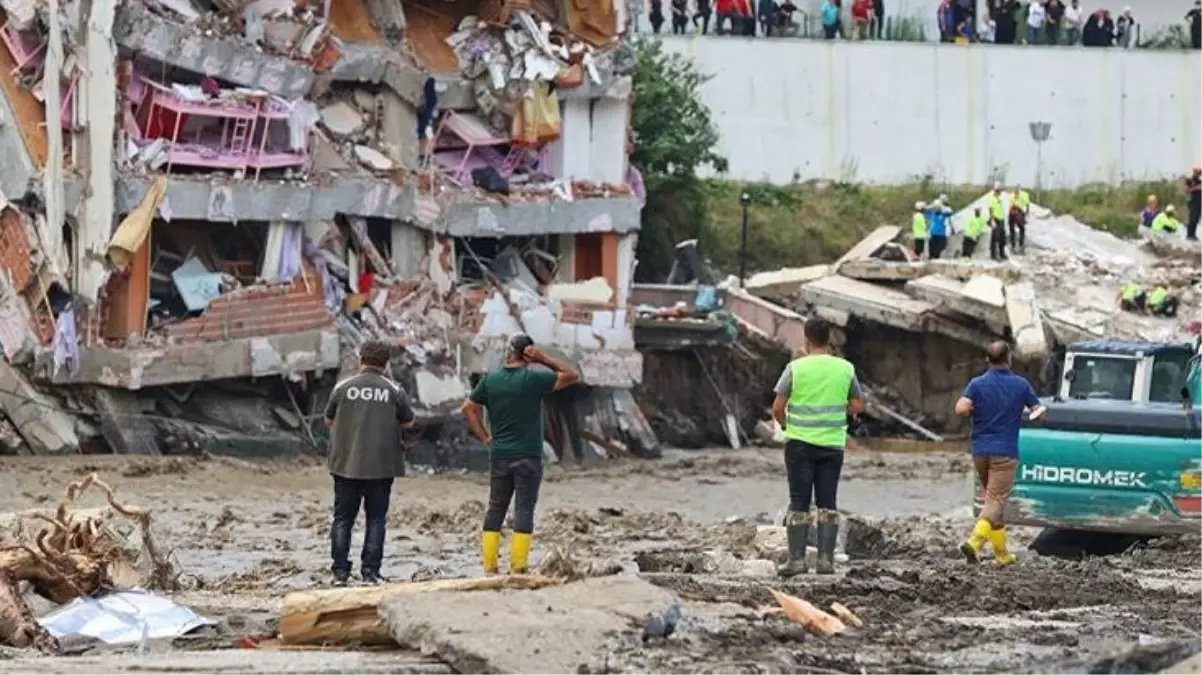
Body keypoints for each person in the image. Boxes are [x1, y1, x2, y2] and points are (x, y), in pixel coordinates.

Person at [461, 334, 580, 575]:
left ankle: (490, 567)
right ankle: (518, 567)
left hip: (500, 454)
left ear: (508, 353)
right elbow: (571, 375)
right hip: (528, 455)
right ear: (528, 354)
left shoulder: (491, 380)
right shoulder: (533, 379)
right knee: (524, 510)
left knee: (495, 508)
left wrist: (485, 438)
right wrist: (544, 358)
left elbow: (468, 408)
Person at [771, 317, 866, 577]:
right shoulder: (845, 369)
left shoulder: (796, 368)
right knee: (828, 502)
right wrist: (843, 414)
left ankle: (797, 561)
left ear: (807, 340)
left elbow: (778, 408)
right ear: (830, 340)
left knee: (799, 502)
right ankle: (825, 561)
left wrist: (788, 427)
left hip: (799, 443)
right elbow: (859, 405)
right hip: (832, 444)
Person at [324, 339, 418, 585]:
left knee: (343, 518)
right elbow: (409, 423)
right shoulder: (394, 390)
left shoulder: (342, 388)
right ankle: (370, 572)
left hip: (345, 464)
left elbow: (328, 420)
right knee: (376, 518)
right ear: (385, 364)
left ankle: (340, 573)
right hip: (382, 465)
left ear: (360, 359)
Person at [955, 341, 1042, 567]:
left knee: (993, 502)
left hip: (980, 451)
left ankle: (1002, 554)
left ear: (987, 359)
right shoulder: (1021, 385)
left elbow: (961, 409)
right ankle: (975, 542)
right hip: (1004, 452)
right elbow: (1038, 411)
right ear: (1009, 358)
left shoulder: (976, 384)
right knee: (995, 501)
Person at [988, 183, 1008, 260]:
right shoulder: (991, 198)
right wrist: (992, 220)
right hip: (996, 219)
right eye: (1000, 190)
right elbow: (991, 209)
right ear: (997, 190)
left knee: (1002, 238)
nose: (1001, 192)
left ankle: (1002, 253)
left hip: (1001, 219)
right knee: (995, 238)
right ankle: (994, 255)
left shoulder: (998, 198)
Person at [1009, 184, 1030, 253]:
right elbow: (1012, 205)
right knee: (1015, 229)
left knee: (1020, 229)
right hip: (1015, 212)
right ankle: (1014, 246)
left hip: (1018, 212)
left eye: (1016, 190)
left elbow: (1027, 204)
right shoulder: (1013, 195)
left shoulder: (1024, 195)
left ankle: (1019, 246)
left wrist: (1027, 214)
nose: (1016, 191)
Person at [1185, 165, 1202, 240]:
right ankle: (1189, 235)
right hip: (1193, 201)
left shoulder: (1200, 179)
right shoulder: (1190, 180)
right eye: (1198, 171)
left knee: (1197, 218)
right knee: (1193, 218)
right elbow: (1187, 190)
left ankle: (1193, 234)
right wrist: (1196, 188)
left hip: (1199, 201)